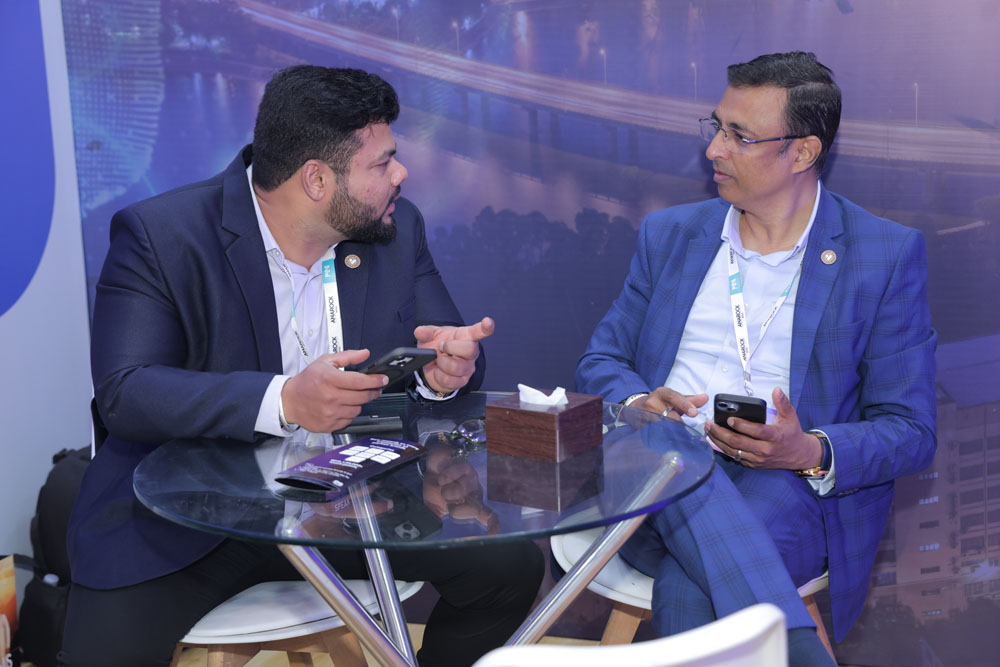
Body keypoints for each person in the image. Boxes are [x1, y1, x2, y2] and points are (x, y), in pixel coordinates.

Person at [62, 65, 543, 667]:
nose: (401, 175)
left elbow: (446, 343)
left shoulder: (395, 229)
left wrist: (441, 373)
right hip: (192, 518)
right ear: (316, 179)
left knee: (508, 567)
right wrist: (285, 401)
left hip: (352, 504)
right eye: (382, 163)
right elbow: (126, 392)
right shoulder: (163, 236)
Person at [577, 52, 935, 665]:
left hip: (784, 484)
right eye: (716, 127)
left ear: (802, 152)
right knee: (672, 449)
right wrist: (640, 403)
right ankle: (801, 650)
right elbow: (601, 361)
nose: (714, 149)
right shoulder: (671, 235)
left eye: (739, 136)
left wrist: (808, 450)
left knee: (690, 587)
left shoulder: (882, 254)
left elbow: (912, 430)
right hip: (652, 477)